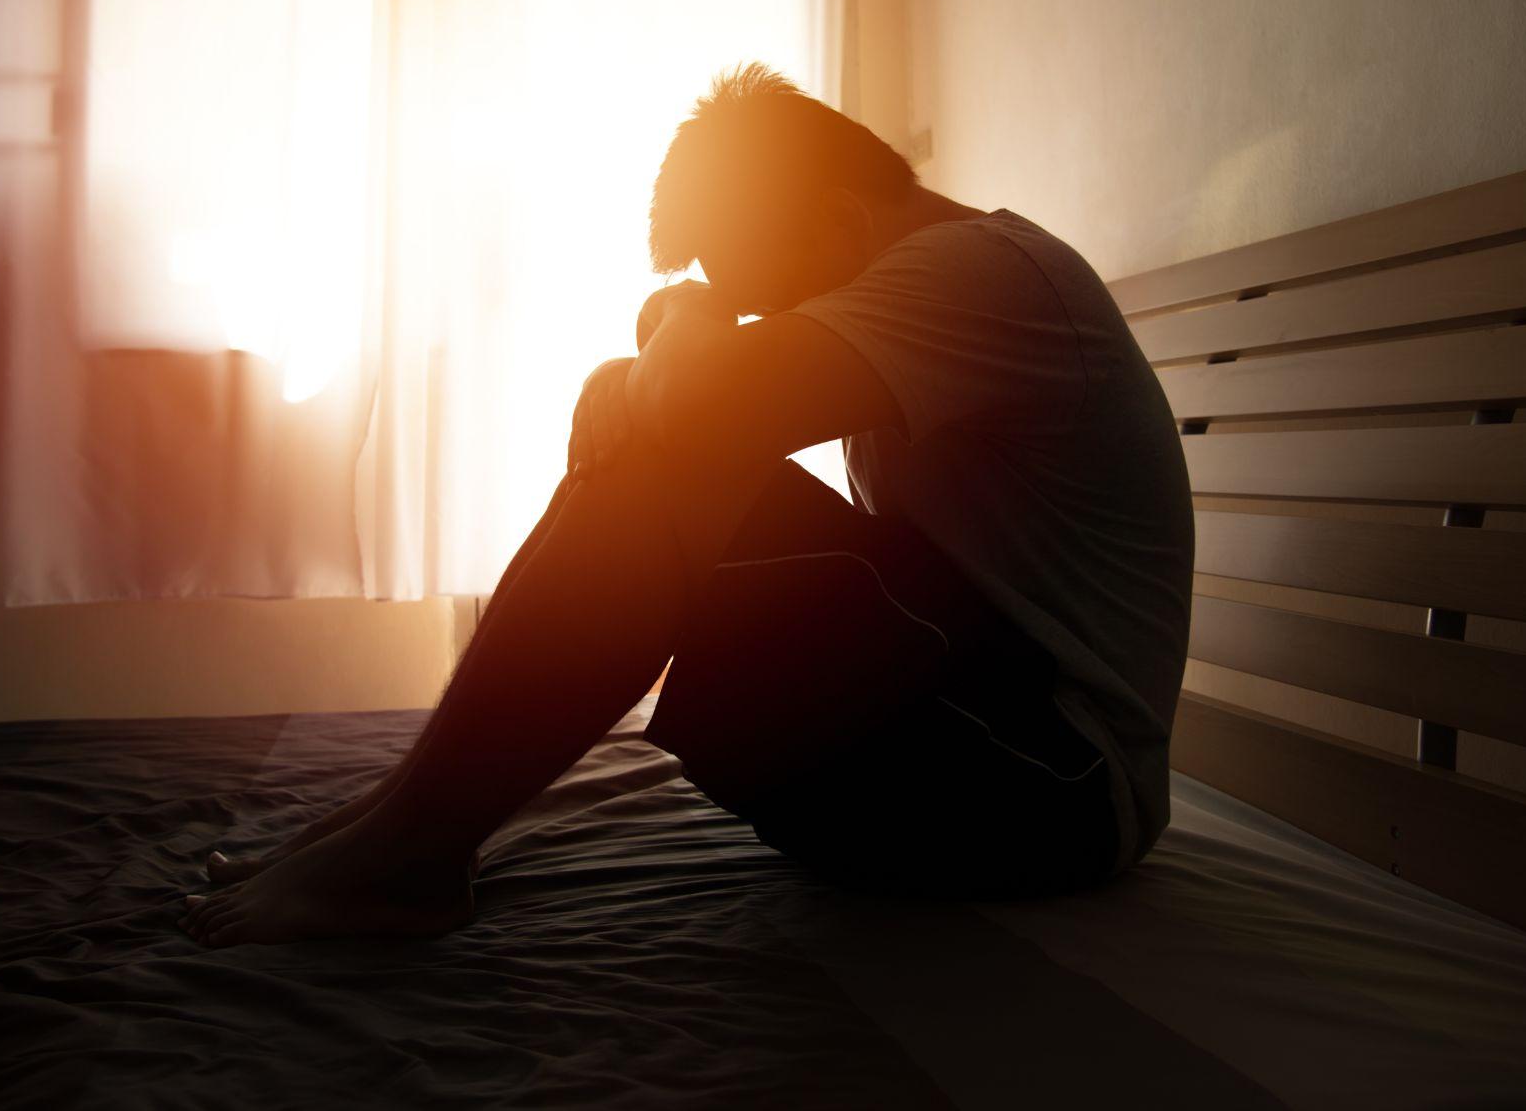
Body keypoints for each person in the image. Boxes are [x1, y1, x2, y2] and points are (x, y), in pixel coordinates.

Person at [180, 65, 1195, 947]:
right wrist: (650, 371)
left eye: (759, 297)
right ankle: (403, 818)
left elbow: (701, 408)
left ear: (839, 219)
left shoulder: (982, 273)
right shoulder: (945, 285)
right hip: (988, 742)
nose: (758, 321)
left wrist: (672, 319)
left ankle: (407, 847)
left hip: (1052, 789)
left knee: (683, 448)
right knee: (674, 436)